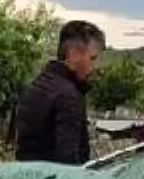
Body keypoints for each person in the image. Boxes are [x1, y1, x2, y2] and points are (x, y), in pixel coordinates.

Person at [12, 19, 105, 164]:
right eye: (92, 58)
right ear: (73, 54)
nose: (95, 66)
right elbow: (68, 165)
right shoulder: (68, 96)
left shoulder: (34, 86)